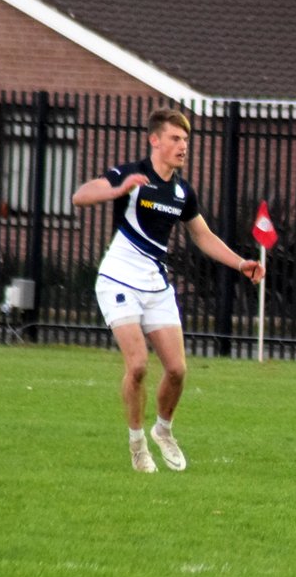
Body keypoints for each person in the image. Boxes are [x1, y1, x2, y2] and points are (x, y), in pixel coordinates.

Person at [71, 107, 265, 473]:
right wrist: (117, 189)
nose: (183, 146)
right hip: (118, 280)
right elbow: (80, 196)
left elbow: (202, 236)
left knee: (176, 370)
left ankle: (163, 430)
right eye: (175, 138)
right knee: (138, 365)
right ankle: (137, 444)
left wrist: (241, 263)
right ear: (155, 140)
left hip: (155, 285)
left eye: (186, 140)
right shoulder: (131, 174)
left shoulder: (181, 191)